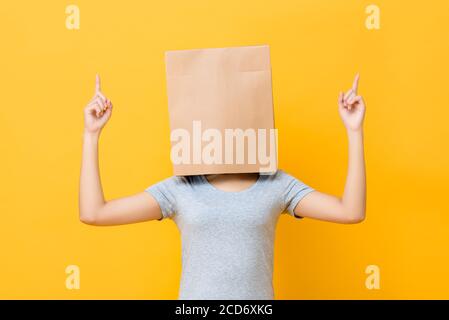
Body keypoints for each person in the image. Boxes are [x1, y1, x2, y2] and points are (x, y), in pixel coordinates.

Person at [79, 74, 366, 299]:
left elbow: (350, 211)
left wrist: (354, 131)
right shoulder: (181, 188)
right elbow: (95, 213)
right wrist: (91, 136)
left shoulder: (276, 183)